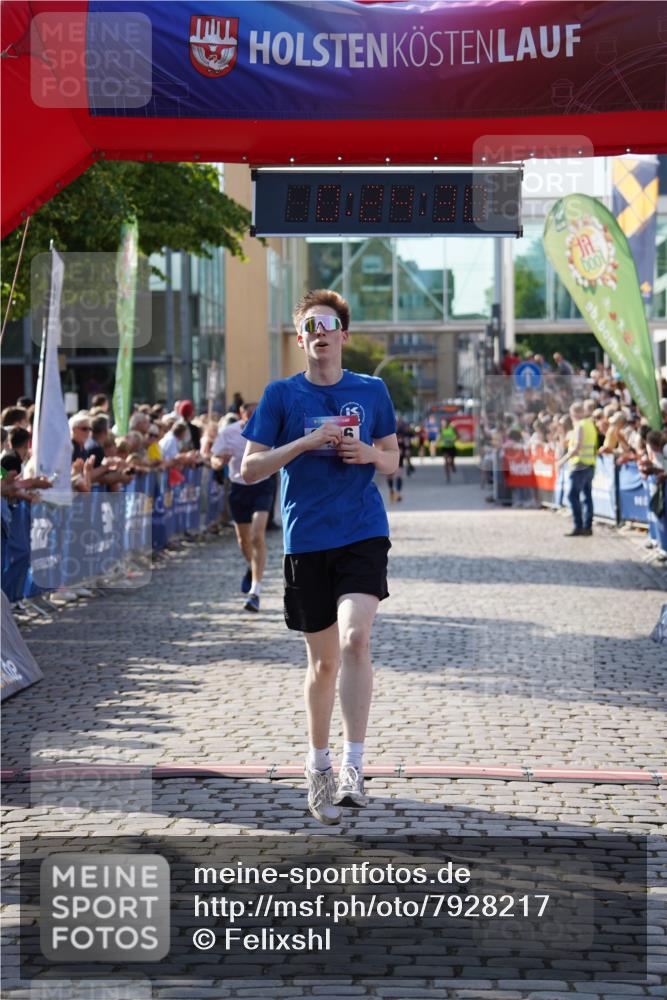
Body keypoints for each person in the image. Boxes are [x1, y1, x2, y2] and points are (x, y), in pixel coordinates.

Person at [241, 288, 399, 825]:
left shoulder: (371, 390)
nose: (320, 333)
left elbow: (392, 458)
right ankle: (318, 764)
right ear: (300, 338)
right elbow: (249, 469)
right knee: (323, 662)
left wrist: (368, 453)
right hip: (307, 539)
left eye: (328, 325)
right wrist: (303, 445)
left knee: (356, 639)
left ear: (343, 335)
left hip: (362, 531)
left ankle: (354, 766)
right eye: (310, 326)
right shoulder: (282, 395)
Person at [211, 402, 273, 613]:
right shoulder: (229, 432)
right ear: (241, 414)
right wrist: (219, 462)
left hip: (262, 485)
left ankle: (255, 591)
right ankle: (251, 566)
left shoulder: (270, 428)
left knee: (257, 535)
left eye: (257, 413)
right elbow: (214, 457)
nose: (254, 417)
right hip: (238, 487)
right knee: (243, 540)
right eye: (249, 414)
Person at [556, 401, 597, 536]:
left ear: (574, 414)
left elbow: (577, 447)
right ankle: (587, 527)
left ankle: (578, 526)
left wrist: (562, 461)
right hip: (590, 464)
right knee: (587, 496)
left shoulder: (580, 426)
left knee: (572, 495)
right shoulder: (590, 424)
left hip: (579, 465)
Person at [439, 418, 458, 482]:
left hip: (451, 447)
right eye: (442, 423)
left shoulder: (452, 428)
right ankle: (448, 476)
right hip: (445, 447)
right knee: (446, 462)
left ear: (447, 423)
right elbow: (440, 436)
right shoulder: (441, 429)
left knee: (451, 461)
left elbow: (457, 436)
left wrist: (452, 440)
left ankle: (452, 465)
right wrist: (438, 440)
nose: (443, 424)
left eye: (444, 423)